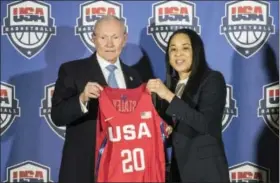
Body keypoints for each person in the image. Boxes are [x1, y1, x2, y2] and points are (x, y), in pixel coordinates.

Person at [51, 15, 142, 183]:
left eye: (115, 37)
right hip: (84, 169)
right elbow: (57, 116)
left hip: (124, 169)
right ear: (93, 38)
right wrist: (82, 98)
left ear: (124, 39)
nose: (109, 44)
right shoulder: (72, 70)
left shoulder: (134, 76)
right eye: (103, 37)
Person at [146, 28, 230, 182]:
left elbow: (204, 124)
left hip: (207, 172)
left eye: (185, 48)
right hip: (179, 172)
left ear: (196, 52)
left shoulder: (212, 79)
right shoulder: (170, 86)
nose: (178, 54)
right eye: (173, 49)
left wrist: (167, 95)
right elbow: (174, 134)